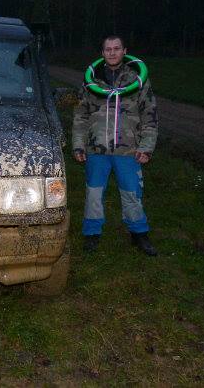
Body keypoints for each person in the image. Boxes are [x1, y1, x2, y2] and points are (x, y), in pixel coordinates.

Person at [72, 35, 158, 256]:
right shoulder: (91, 81)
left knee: (132, 192)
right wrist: (78, 145)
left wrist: (146, 147)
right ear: (102, 53)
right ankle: (92, 233)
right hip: (96, 149)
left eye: (116, 48)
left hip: (128, 149)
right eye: (108, 49)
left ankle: (139, 233)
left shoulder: (137, 80)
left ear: (124, 51)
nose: (112, 52)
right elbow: (80, 116)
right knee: (93, 193)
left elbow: (149, 116)